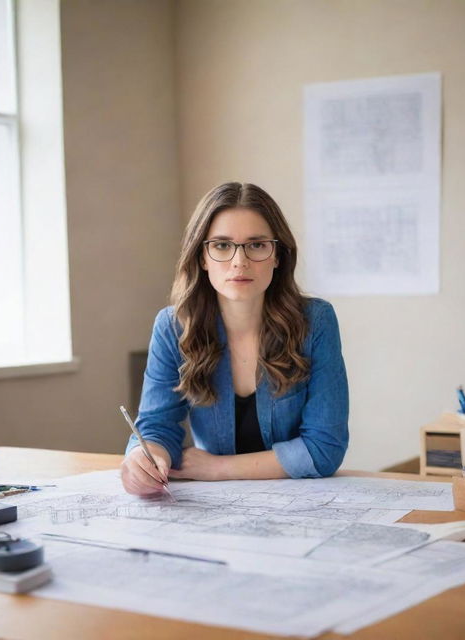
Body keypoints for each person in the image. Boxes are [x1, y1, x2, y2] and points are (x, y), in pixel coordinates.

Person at [121, 182, 349, 496]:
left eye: (256, 245)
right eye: (222, 245)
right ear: (202, 257)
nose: (239, 262)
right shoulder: (172, 327)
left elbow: (324, 449)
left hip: (300, 501)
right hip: (216, 506)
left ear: (277, 255)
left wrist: (216, 468)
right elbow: (157, 425)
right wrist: (146, 458)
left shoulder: (316, 322)